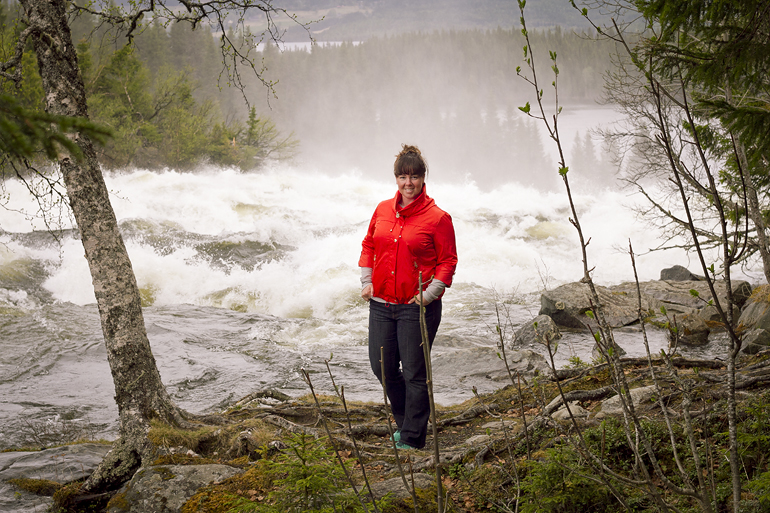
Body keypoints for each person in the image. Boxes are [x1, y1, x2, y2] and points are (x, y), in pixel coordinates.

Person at [359, 144, 458, 450]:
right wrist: (366, 280)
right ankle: (405, 422)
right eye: (403, 177)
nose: (408, 183)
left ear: (423, 178)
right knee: (382, 367)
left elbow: (448, 261)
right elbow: (369, 245)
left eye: (414, 177)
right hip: (382, 304)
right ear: (396, 179)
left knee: (415, 372)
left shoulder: (438, 218)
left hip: (417, 307)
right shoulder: (382, 209)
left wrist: (430, 294)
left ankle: (413, 437)